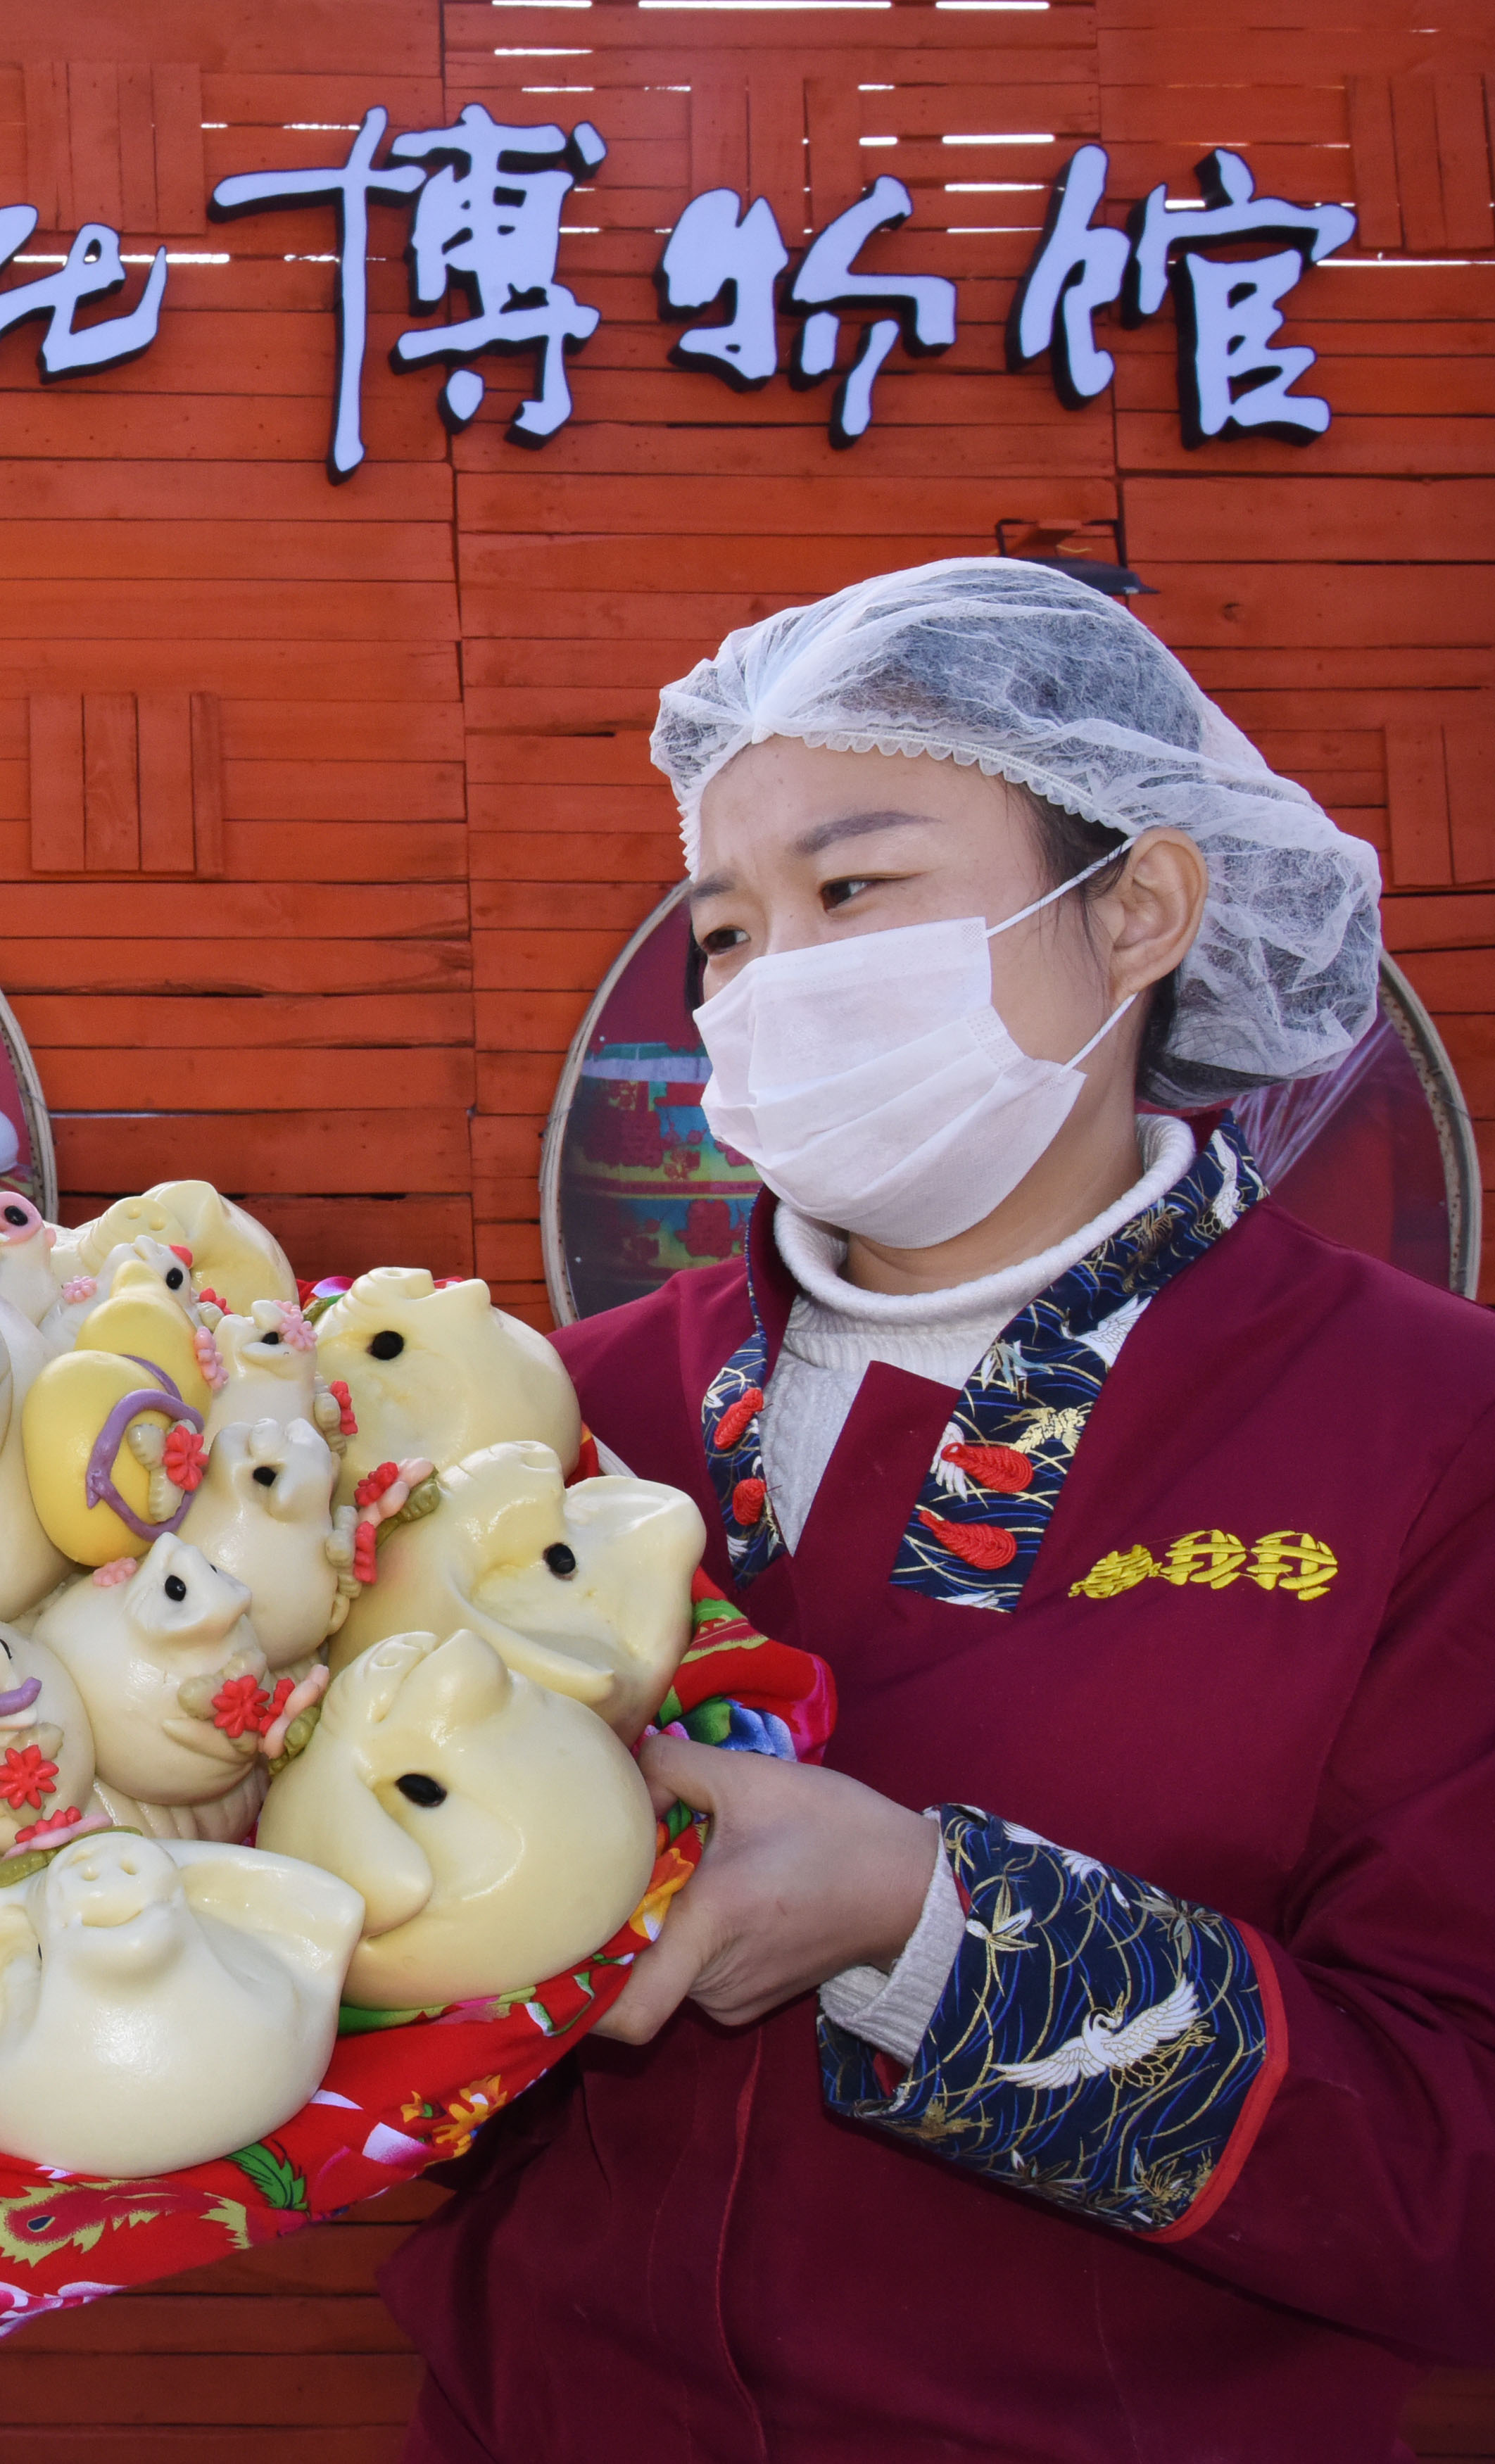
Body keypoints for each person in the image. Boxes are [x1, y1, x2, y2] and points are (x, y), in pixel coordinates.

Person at [386, 560, 1495, 2458]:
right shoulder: (581, 1406)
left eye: (853, 888)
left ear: (1136, 905)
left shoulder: (1425, 1431)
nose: (772, 978)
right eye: (723, 927)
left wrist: (930, 1930)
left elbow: (1455, 2181)